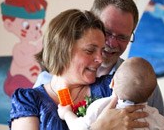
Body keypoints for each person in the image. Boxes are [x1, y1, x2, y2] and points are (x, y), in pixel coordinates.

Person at [34, 0, 164, 127]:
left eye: (122, 37)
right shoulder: (46, 82)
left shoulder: (140, 81)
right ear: (92, 25)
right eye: (106, 32)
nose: (112, 43)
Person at [9, 9, 148, 130]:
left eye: (101, 50)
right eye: (90, 51)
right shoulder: (28, 101)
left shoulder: (113, 87)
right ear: (63, 50)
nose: (100, 59)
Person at [58, 57, 164, 130]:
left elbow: (79, 127)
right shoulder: (154, 116)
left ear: (112, 83)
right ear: (150, 96)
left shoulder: (101, 106)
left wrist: (67, 114)